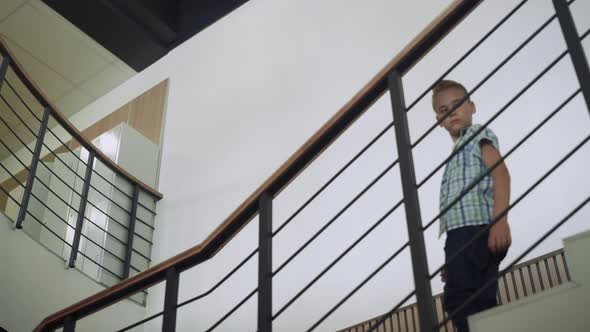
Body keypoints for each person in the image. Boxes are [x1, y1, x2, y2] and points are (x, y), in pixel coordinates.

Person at [432, 80, 512, 332]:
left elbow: (501, 175)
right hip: (459, 236)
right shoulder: (456, 152)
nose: (451, 112)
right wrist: (452, 258)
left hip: (475, 229)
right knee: (468, 297)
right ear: (439, 120)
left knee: (461, 300)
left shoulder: (477, 135)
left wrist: (500, 220)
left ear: (472, 106)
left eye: (456, 104)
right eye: (444, 109)